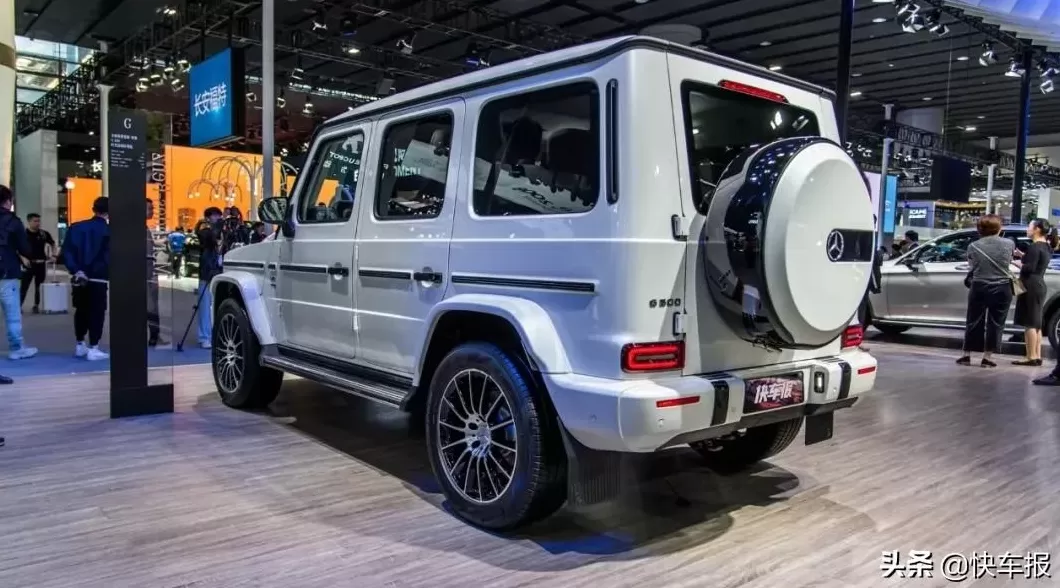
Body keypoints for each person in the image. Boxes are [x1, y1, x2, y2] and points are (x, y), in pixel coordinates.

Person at [956, 214, 1015, 368]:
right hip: (1002, 287)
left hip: (979, 286)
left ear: (980, 229)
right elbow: (1008, 261)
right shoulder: (1009, 243)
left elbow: (972, 266)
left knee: (973, 320)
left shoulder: (973, 246)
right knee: (996, 323)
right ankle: (987, 358)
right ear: (998, 228)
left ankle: (966, 355)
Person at [61, 196, 110, 361]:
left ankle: (80, 344)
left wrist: (77, 270)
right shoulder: (108, 231)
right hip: (98, 278)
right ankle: (94, 347)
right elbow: (108, 256)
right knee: (97, 312)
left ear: (93, 209)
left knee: (81, 310)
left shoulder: (76, 228)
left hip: (79, 276)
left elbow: (67, 252)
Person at [0, 186, 38, 360]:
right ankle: (16, 348)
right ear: (8, 201)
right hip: (7, 273)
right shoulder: (13, 221)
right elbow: (25, 248)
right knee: (12, 314)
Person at [1011, 219, 1055, 366]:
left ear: (1037, 229)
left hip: (1030, 285)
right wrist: (1023, 255)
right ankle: (1037, 355)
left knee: (1029, 322)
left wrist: (1015, 262)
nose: (1027, 229)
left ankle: (1030, 357)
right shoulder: (1046, 246)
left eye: (1029, 226)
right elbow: (1037, 261)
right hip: (1039, 284)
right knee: (1036, 322)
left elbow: (1029, 268)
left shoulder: (1035, 247)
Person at [195, 207, 224, 349]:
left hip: (218, 270)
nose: (218, 218)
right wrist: (217, 228)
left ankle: (214, 335)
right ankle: (204, 337)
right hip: (207, 272)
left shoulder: (219, 230)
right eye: (215, 215)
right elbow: (209, 239)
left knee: (216, 305)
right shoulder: (203, 228)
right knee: (205, 305)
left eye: (219, 215)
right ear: (208, 217)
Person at [20, 212, 55, 312]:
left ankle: (36, 305)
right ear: (29, 222)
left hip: (41, 264)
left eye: (39, 221)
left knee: (39, 287)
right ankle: (18, 305)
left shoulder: (43, 234)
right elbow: (17, 249)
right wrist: (23, 258)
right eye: (35, 221)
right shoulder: (23, 235)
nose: (37, 223)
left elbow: (52, 244)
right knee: (24, 287)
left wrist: (53, 255)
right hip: (28, 264)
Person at [145, 199, 167, 347]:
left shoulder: (145, 228)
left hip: (149, 273)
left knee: (152, 307)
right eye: (149, 208)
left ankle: (154, 336)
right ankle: (154, 336)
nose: (152, 211)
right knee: (151, 307)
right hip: (147, 275)